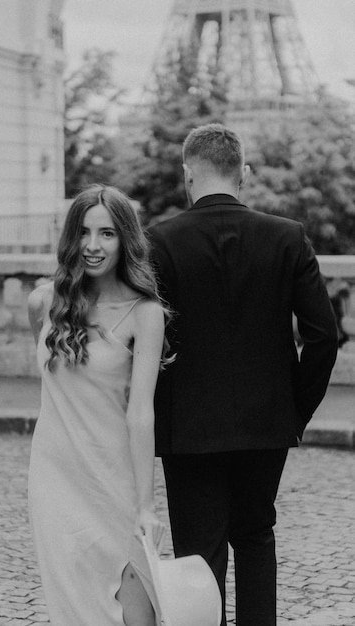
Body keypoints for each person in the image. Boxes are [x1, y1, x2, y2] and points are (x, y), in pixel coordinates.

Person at [147, 123, 338, 626]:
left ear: (188, 175)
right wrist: (297, 410)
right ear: (244, 174)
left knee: (198, 553)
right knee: (255, 537)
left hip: (187, 426)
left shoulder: (159, 242)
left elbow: (143, 339)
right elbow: (323, 335)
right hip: (267, 421)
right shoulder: (287, 237)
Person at [27, 184, 168, 626]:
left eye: (106, 233)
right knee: (73, 606)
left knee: (137, 610)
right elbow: (54, 390)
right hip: (55, 478)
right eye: (84, 233)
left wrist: (146, 505)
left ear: (125, 238)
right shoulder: (43, 303)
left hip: (114, 477)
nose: (92, 246)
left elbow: (141, 412)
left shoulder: (145, 313)